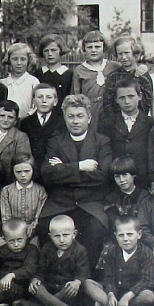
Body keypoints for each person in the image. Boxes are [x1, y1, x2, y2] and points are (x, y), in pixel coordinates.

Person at [39, 94, 112, 271]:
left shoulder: (101, 141)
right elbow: (47, 174)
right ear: (64, 118)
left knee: (96, 230)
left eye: (80, 116)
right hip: (61, 202)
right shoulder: (56, 142)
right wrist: (80, 167)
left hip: (90, 203)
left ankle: (88, 279)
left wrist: (64, 169)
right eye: (70, 116)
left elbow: (103, 175)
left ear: (89, 117)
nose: (75, 121)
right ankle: (52, 277)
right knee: (44, 226)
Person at [84, 216, 154, 306]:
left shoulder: (146, 253)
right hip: (115, 291)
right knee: (88, 283)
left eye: (129, 234)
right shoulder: (112, 252)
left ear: (139, 235)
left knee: (149, 296)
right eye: (121, 235)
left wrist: (127, 297)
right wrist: (110, 294)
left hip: (133, 295)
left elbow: (147, 280)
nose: (125, 239)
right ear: (116, 236)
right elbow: (109, 277)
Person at [23, 215, 93, 306]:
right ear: (50, 236)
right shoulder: (47, 248)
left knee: (70, 289)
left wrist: (77, 282)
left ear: (74, 234)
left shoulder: (80, 250)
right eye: (57, 236)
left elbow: (83, 273)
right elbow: (41, 271)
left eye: (65, 235)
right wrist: (36, 279)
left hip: (67, 290)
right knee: (36, 287)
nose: (61, 240)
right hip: (50, 288)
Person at [99, 77, 154, 186]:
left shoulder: (150, 123)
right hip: (118, 178)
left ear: (139, 96)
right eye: (122, 98)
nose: (127, 101)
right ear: (116, 100)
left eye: (131, 96)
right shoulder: (108, 123)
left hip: (142, 179)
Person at [97, 156, 150, 271]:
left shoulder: (144, 195)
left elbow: (145, 220)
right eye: (117, 177)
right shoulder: (111, 198)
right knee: (109, 249)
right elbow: (113, 222)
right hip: (119, 236)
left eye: (125, 175)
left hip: (140, 235)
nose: (121, 180)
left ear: (133, 175)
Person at [71, 31, 121, 130]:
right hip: (91, 111)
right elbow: (76, 96)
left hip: (112, 110)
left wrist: (142, 68)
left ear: (104, 48)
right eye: (90, 47)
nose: (93, 50)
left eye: (97, 47)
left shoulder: (115, 67)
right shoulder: (79, 71)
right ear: (84, 49)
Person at [101, 36, 153, 121]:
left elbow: (146, 104)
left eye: (127, 53)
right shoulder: (113, 76)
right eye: (120, 54)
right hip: (116, 123)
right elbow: (107, 104)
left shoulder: (143, 76)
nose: (124, 57)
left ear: (135, 53)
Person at [19, 83, 66, 173]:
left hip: (52, 170)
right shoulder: (25, 123)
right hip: (31, 170)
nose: (44, 101)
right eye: (40, 97)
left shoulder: (62, 123)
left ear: (55, 101)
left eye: (49, 97)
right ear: (33, 101)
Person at [1, 153, 47, 243]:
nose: (23, 175)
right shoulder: (6, 191)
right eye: (18, 172)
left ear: (33, 170)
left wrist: (32, 227)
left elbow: (38, 216)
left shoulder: (40, 191)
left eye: (27, 171)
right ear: (13, 172)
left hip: (33, 233)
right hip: (12, 232)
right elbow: (6, 217)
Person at [0, 100, 31, 184]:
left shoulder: (20, 137)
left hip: (10, 181)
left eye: (10, 117)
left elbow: (22, 163)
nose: (5, 120)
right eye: (2, 116)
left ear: (16, 120)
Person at [34, 34, 73, 110]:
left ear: (60, 51)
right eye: (46, 51)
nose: (50, 54)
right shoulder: (37, 74)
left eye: (53, 50)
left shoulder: (69, 75)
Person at [1, 43, 40, 119]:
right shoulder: (3, 82)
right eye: (15, 59)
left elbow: (36, 106)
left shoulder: (33, 81)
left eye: (23, 59)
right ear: (9, 60)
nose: (19, 63)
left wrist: (26, 117)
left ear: (29, 60)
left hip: (27, 122)